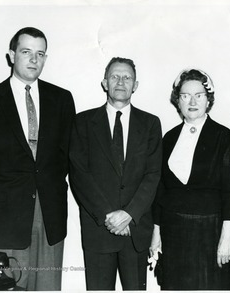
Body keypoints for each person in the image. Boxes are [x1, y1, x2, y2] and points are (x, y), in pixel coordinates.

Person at [0, 27, 76, 290]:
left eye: (40, 53)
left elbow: (67, 157)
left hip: (50, 215)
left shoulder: (62, 99)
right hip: (5, 217)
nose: (34, 59)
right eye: (26, 52)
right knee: (9, 287)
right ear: (11, 55)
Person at [69, 57, 162, 290]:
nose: (121, 82)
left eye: (127, 77)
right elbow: (79, 175)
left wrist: (129, 214)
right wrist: (109, 216)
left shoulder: (150, 123)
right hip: (99, 230)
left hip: (135, 231)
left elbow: (153, 175)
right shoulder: (83, 122)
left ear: (135, 85)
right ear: (104, 83)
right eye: (114, 76)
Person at [150, 69, 230, 290]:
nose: (192, 101)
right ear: (177, 101)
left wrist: (226, 238)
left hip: (210, 232)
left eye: (198, 95)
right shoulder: (169, 138)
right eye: (185, 95)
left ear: (208, 100)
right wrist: (156, 232)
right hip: (173, 232)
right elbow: (161, 190)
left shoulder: (223, 136)